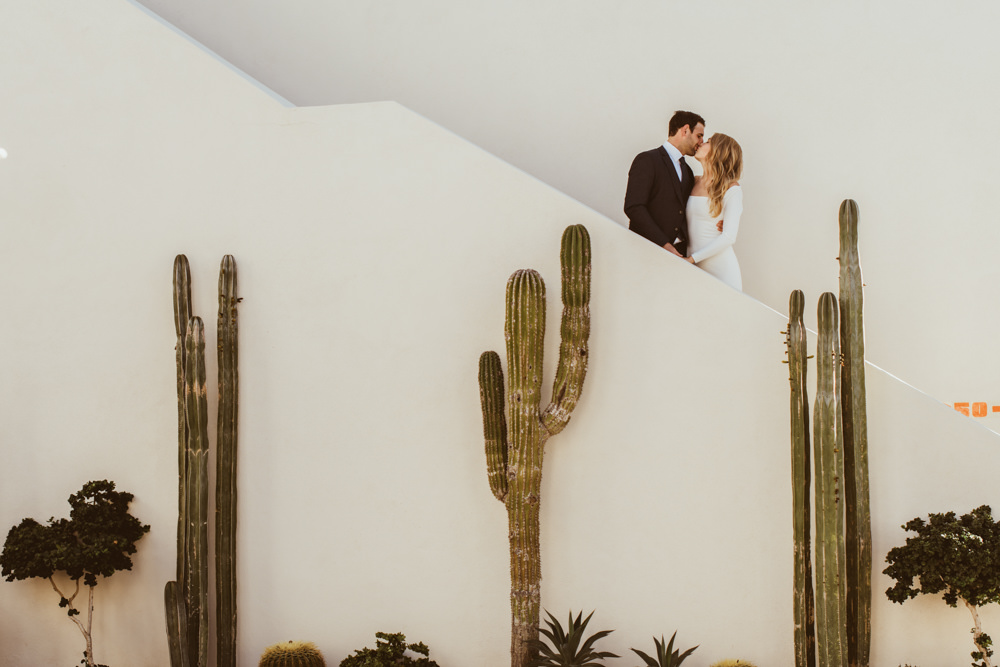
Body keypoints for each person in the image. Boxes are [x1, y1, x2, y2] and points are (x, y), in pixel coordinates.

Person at [624, 111, 705, 258]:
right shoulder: (648, 160)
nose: (701, 142)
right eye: (699, 136)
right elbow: (634, 207)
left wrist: (717, 223)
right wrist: (664, 244)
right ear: (685, 130)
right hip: (644, 250)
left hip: (678, 255)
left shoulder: (688, 171)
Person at [685, 133, 744, 291]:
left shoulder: (731, 189)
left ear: (719, 151)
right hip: (692, 268)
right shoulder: (692, 181)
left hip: (721, 270)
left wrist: (691, 259)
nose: (701, 143)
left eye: (709, 142)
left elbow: (729, 236)